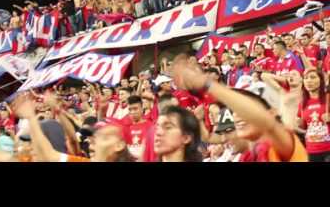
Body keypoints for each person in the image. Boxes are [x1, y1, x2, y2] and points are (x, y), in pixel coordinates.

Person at [173, 59, 308, 162]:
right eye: (234, 110)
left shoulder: (283, 143)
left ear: (271, 113)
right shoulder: (249, 154)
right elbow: (215, 137)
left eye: (245, 108)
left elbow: (266, 122)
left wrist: (206, 84)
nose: (236, 115)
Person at [121, 95, 154, 161]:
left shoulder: (151, 126)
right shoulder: (124, 126)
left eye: (135, 109)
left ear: (142, 108)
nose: (132, 112)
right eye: (130, 109)